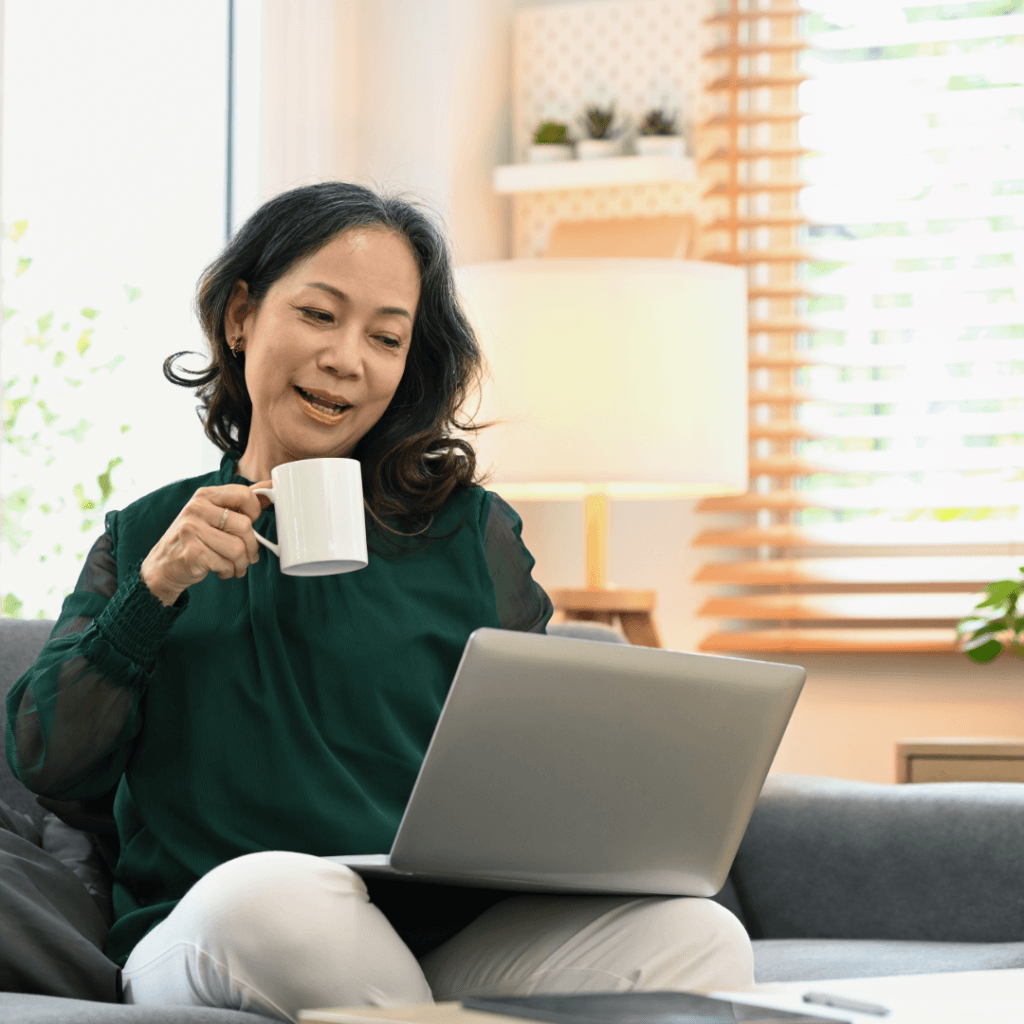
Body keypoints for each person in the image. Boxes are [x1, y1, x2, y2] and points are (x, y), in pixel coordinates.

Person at [4, 183, 753, 1022]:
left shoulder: (470, 533)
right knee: (282, 900)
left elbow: (539, 758)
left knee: (698, 935)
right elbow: (49, 761)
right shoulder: (150, 536)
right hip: (221, 925)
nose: (347, 359)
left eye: (386, 338)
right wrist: (157, 590)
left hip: (437, 939)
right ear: (242, 316)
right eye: (319, 315)